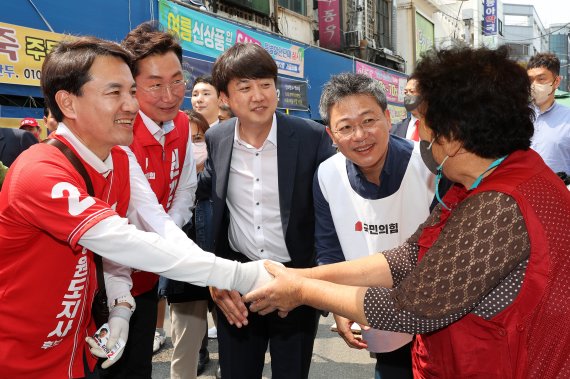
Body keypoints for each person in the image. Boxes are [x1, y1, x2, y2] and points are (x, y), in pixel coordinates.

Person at [245, 45, 570, 378]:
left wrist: (301, 291)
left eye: (424, 121)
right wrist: (301, 276)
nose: (421, 133)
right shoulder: (481, 182)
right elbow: (411, 256)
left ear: (455, 133)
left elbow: (408, 309)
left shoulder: (499, 204)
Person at [0, 36, 273, 379]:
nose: (131, 105)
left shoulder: (118, 158)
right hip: (19, 358)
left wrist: (120, 308)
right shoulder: (40, 172)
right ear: (68, 103)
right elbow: (122, 240)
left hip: (74, 349)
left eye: (131, 91)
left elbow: (154, 225)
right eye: (115, 93)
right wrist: (244, 274)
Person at [199, 43, 336, 378]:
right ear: (225, 98)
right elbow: (206, 210)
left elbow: (329, 216)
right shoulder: (216, 138)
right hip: (238, 280)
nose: (258, 96)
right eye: (244, 88)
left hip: (295, 279)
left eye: (265, 84)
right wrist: (214, 275)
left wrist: (323, 284)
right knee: (236, 372)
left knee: (292, 372)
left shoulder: (310, 137)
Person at [315, 72, 435, 379]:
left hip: (439, 314)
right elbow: (329, 249)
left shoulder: (428, 165)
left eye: (368, 120)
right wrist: (339, 306)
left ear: (387, 117)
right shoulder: (328, 175)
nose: (360, 135)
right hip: (378, 319)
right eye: (346, 127)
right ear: (332, 135)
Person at [106, 21, 196, 378]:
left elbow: (187, 187)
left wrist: (166, 234)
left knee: (138, 366)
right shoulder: (117, 131)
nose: (170, 95)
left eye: (177, 81)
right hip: (105, 282)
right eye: (154, 85)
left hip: (147, 276)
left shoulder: (184, 125)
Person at [527, 52, 570, 175]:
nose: (534, 85)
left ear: (556, 81)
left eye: (541, 79)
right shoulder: (516, 116)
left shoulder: (568, 119)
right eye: (530, 80)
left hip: (558, 191)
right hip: (519, 191)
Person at [391, 76, 421, 141]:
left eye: (412, 91)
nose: (408, 95)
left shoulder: (439, 128)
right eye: (406, 92)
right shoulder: (395, 129)